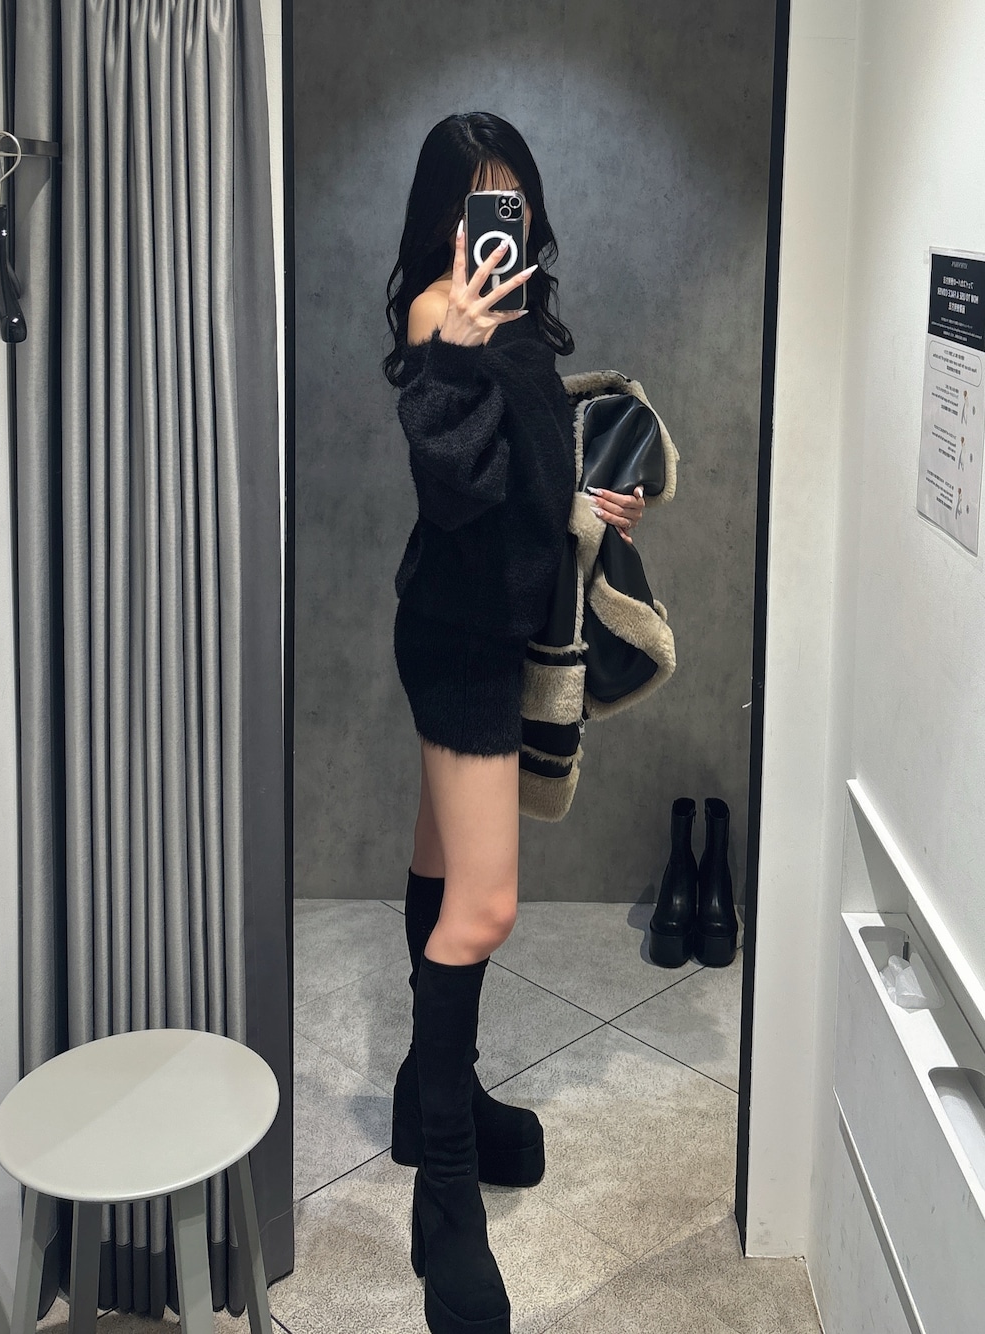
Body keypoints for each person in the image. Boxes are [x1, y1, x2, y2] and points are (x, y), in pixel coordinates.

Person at [382, 112, 646, 1334]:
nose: (503, 223)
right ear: (443, 219)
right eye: (478, 203)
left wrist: (589, 499)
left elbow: (525, 472)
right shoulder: (444, 312)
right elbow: (458, 490)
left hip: (481, 622)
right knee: (483, 907)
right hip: (464, 640)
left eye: (515, 200)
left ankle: (431, 1093)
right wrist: (456, 352)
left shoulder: (523, 313)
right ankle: (445, 1201)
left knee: (443, 869)